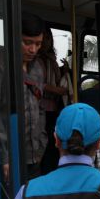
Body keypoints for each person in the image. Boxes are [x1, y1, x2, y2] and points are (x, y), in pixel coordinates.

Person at [0, 12, 48, 181]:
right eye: (27, 43)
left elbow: (40, 109)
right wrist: (5, 157)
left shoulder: (38, 67)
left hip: (34, 155)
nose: (33, 49)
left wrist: (41, 145)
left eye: (38, 44)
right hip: (10, 157)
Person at [37, 27, 68, 175]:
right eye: (44, 39)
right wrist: (56, 90)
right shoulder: (35, 60)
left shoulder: (52, 60)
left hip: (54, 108)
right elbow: (36, 83)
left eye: (49, 38)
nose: (46, 42)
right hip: (40, 108)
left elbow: (55, 79)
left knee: (53, 143)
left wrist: (64, 71)